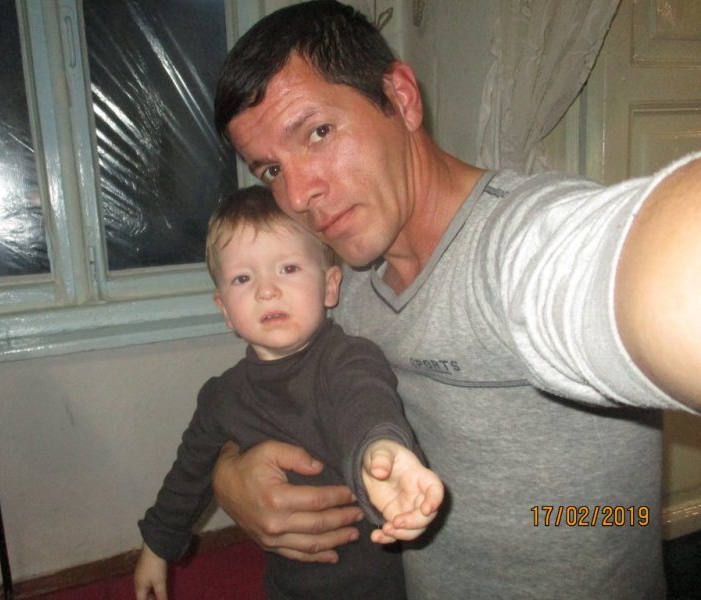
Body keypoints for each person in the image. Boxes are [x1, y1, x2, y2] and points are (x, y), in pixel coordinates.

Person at [210, 2, 701, 599]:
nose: (297, 195)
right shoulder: (342, 286)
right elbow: (273, 386)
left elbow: (629, 268)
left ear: (401, 98)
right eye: (269, 170)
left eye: (318, 132)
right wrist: (229, 473)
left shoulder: (514, 244)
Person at [134, 185, 443, 600]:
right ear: (225, 310)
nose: (266, 290)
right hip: (286, 586)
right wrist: (156, 548)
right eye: (243, 278)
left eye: (289, 268)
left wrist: (382, 451)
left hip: (375, 587)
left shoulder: (349, 359)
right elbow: (187, 476)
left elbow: (366, 406)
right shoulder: (221, 397)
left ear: (330, 287)